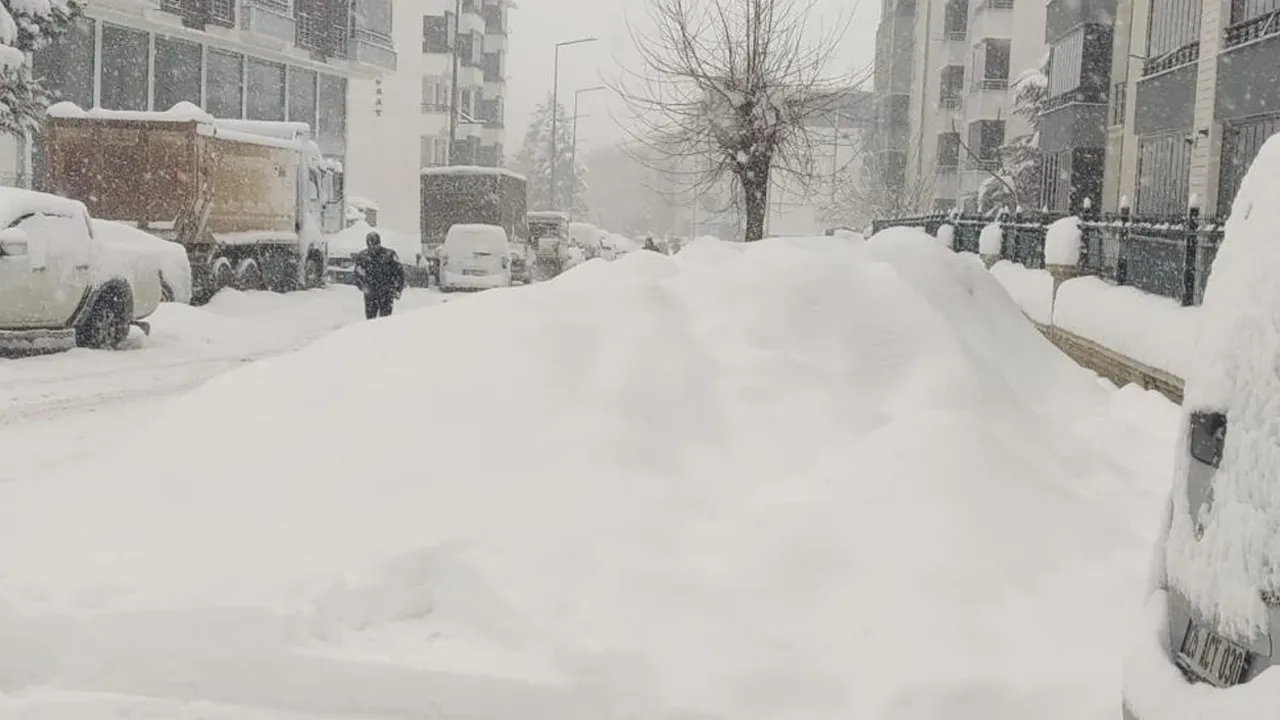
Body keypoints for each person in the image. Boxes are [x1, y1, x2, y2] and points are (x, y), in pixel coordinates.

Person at [352, 231, 405, 319]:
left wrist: (398, 289)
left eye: (375, 244)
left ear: (379, 243)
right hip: (370, 295)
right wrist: (362, 286)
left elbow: (399, 273)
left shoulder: (389, 255)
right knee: (370, 321)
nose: (373, 247)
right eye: (370, 245)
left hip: (387, 294)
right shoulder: (363, 257)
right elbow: (357, 274)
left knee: (385, 321)